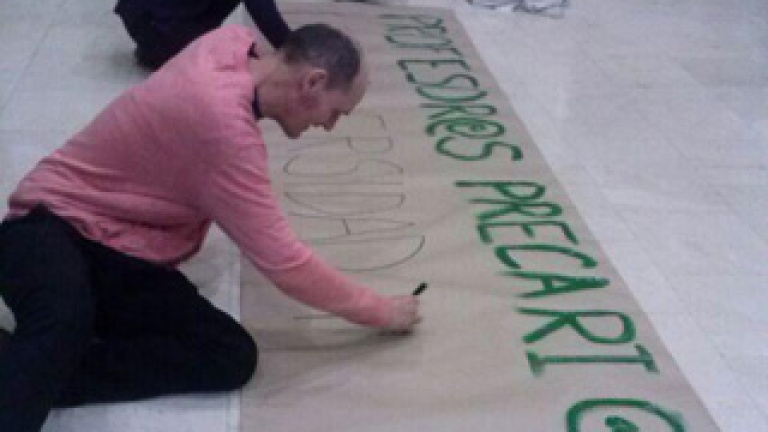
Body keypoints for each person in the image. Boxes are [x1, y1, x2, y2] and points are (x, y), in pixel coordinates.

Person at [0, 23, 421, 432]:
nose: (329, 126)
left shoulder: (232, 44)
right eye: (336, 112)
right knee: (63, 321)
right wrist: (381, 311)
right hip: (45, 225)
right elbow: (286, 264)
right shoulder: (222, 126)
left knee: (227, 354)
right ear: (313, 82)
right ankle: (31, 375)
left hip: (117, 248)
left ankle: (29, 368)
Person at [115, 0, 291, 69]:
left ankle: (159, 50)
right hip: (155, 25)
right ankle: (161, 52)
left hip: (143, 18)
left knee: (243, 51)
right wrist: (298, 53)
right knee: (244, 60)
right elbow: (266, 16)